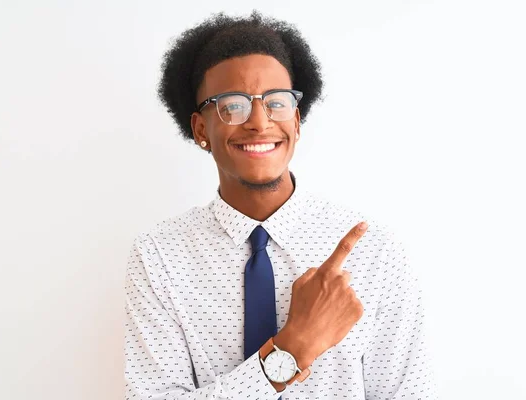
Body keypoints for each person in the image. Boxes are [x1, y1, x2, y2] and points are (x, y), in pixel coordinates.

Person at [123, 11, 438, 400]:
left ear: (298, 120)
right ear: (201, 129)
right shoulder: (158, 256)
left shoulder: (375, 253)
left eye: (277, 102)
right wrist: (292, 347)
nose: (259, 121)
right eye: (233, 105)